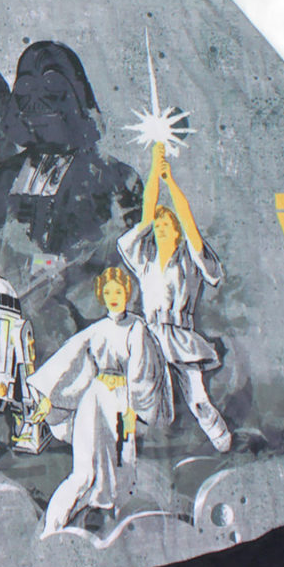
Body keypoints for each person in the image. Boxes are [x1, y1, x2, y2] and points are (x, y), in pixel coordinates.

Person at [27, 268, 170, 534]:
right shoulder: (98, 329)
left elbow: (141, 373)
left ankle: (115, 531)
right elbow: (71, 363)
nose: (113, 297)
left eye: (118, 291)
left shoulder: (137, 328)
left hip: (122, 403)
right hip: (94, 401)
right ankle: (51, 529)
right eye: (107, 292)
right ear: (101, 296)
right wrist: (48, 399)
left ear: (127, 293)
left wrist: (133, 410)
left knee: (123, 470)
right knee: (83, 472)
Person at [118, 142, 232, 452]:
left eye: (166, 225)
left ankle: (221, 440)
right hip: (150, 335)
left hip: (180, 334)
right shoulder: (146, 261)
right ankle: (126, 444)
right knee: (135, 392)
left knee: (198, 400)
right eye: (158, 226)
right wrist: (154, 170)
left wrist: (170, 181)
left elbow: (190, 226)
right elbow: (146, 212)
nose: (160, 229)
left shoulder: (189, 260)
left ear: (177, 230)